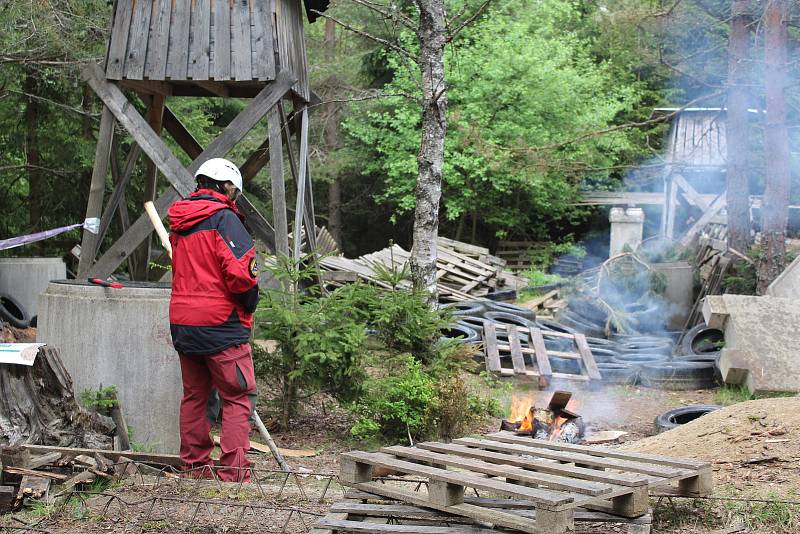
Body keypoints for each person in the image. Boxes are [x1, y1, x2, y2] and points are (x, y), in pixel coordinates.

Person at [167, 158, 259, 482]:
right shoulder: (225, 219)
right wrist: (250, 304)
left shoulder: (179, 222)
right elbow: (242, 276)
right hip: (221, 324)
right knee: (237, 396)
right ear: (227, 186)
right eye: (235, 190)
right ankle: (234, 475)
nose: (236, 196)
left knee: (195, 396)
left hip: (183, 323)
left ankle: (194, 469)